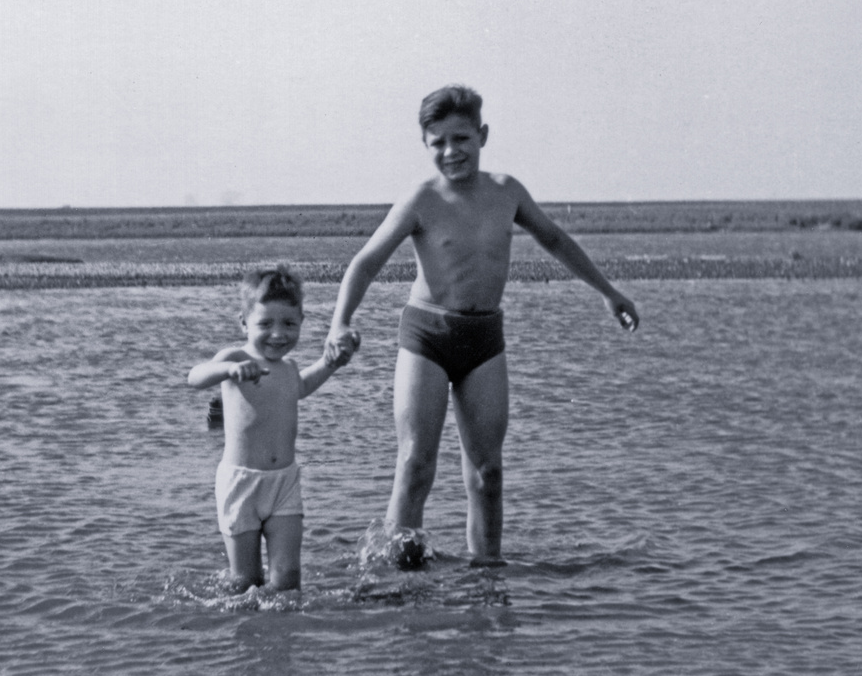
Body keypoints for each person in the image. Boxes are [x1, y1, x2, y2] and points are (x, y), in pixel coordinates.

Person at [324, 85, 639, 567]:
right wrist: (340, 322)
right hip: (426, 337)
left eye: (462, 138)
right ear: (425, 146)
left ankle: (487, 576)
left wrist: (608, 291)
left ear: (482, 135)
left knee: (488, 473)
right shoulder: (421, 199)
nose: (452, 151)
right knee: (415, 465)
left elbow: (554, 238)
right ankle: (395, 576)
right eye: (439, 142)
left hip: (485, 340)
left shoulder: (506, 191)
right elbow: (366, 262)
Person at [188, 265, 359, 591]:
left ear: (301, 322)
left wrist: (331, 363)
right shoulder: (235, 356)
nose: (278, 334)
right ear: (243, 322)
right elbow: (194, 377)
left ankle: (284, 636)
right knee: (245, 581)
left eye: (289, 324)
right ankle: (245, 631)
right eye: (265, 324)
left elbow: (302, 386)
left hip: (284, 483)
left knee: (288, 580)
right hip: (241, 484)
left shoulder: (289, 367)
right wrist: (228, 369)